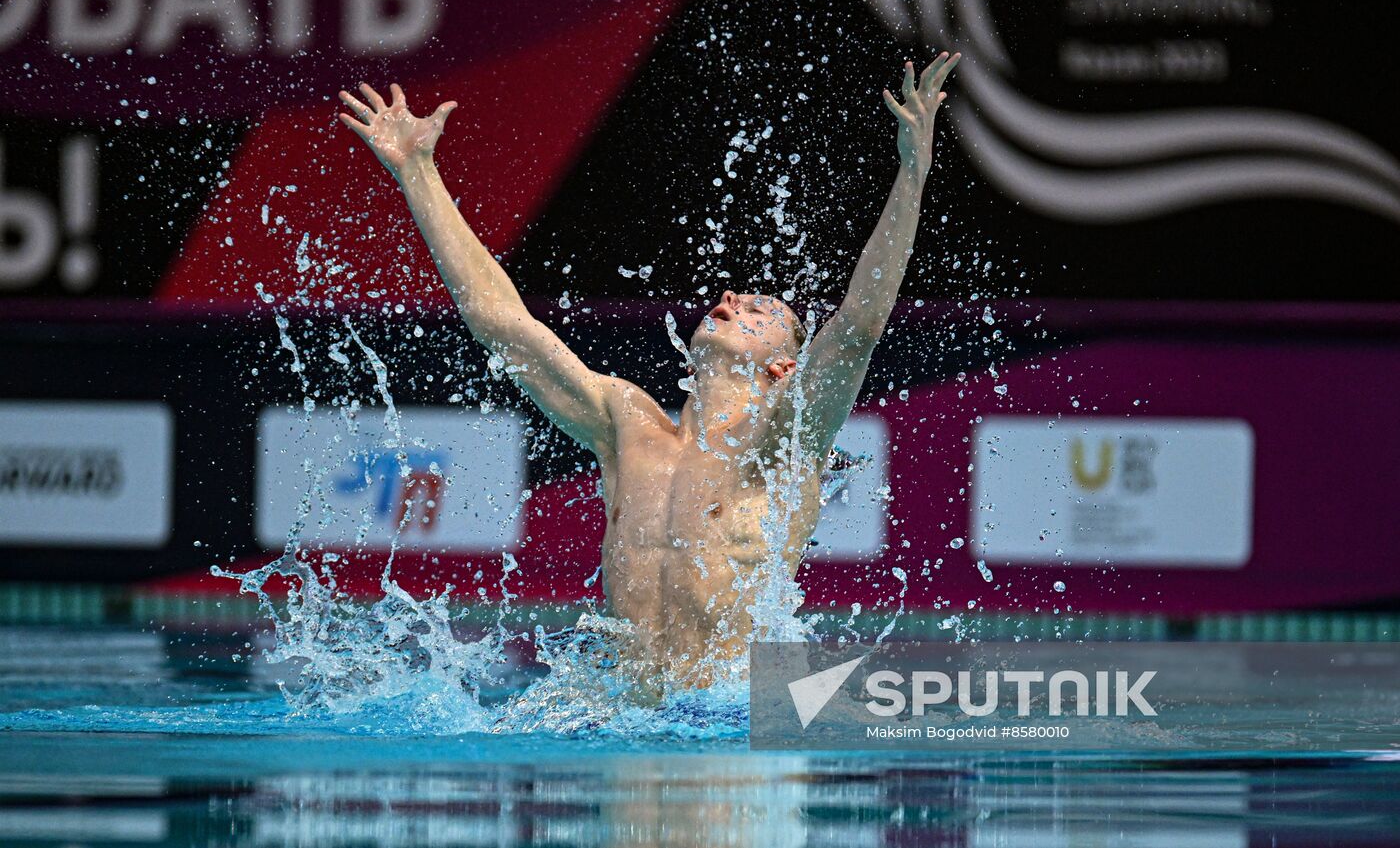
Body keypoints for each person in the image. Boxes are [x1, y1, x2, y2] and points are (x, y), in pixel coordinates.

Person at [337, 53, 960, 689]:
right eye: (732, 298)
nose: (731, 302)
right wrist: (418, 172)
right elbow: (505, 327)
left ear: (784, 366)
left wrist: (913, 173)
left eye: (757, 309)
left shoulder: (783, 441)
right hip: (634, 720)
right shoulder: (627, 425)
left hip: (731, 736)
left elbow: (856, 330)